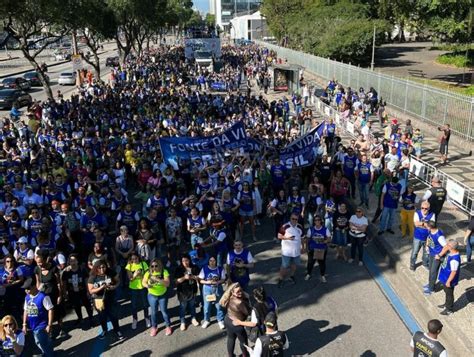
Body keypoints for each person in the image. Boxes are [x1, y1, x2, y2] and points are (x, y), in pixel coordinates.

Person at [87, 261, 124, 340]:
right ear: (96, 268)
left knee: (113, 315)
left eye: (103, 267)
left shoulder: (110, 273)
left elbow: (118, 281)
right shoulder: (93, 276)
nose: (101, 269)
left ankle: (117, 330)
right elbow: (91, 290)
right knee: (102, 316)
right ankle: (104, 330)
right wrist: (102, 287)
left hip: (110, 298)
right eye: (99, 268)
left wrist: (114, 287)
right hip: (99, 300)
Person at [22, 276, 54, 357]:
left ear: (34, 286)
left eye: (28, 289)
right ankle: (47, 353)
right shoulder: (27, 298)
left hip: (42, 325)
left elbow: (50, 309)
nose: (26, 291)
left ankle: (49, 355)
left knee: (43, 342)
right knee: (39, 342)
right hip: (33, 326)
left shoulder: (43, 296)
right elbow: (26, 310)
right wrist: (24, 324)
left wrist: (49, 325)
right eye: (25, 289)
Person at [61, 254, 94, 329]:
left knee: (87, 305)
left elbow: (86, 280)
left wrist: (89, 290)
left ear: (77, 261)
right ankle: (80, 318)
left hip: (83, 291)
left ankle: (91, 318)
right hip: (72, 292)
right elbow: (64, 283)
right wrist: (64, 293)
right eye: (71, 260)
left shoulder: (82, 269)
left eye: (74, 260)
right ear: (69, 262)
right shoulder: (66, 272)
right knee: (76, 306)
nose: (73, 262)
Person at [219, 283, 252, 357]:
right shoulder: (239, 302)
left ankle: (230, 355)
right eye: (238, 292)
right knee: (243, 341)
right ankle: (245, 355)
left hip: (228, 319)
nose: (240, 292)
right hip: (237, 324)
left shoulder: (228, 297)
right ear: (232, 292)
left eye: (240, 290)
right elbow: (247, 312)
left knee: (231, 338)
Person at [142, 258, 172, 337]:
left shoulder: (164, 272)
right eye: (152, 266)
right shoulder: (148, 273)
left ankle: (168, 326)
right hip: (152, 295)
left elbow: (167, 284)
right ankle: (154, 327)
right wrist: (147, 285)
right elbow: (143, 282)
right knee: (153, 312)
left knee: (164, 311)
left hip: (162, 295)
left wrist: (157, 279)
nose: (154, 268)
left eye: (156, 266)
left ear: (160, 265)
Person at [199, 255, 226, 329]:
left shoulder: (220, 269)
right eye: (210, 260)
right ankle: (207, 320)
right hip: (207, 289)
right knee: (207, 306)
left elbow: (223, 279)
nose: (212, 262)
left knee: (218, 305)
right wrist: (208, 282)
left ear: (216, 261)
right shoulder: (204, 268)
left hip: (217, 288)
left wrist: (218, 282)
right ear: (208, 261)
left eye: (214, 260)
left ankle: (220, 320)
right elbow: (200, 280)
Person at [277, 214, 303, 288]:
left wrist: (303, 247)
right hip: (287, 251)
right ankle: (281, 279)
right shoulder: (285, 226)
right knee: (284, 266)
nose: (294, 220)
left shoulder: (300, 227)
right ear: (290, 218)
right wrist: (287, 238)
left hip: (296, 251)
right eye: (293, 219)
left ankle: (291, 276)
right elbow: (279, 236)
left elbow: (303, 238)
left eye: (296, 219)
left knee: (294, 264)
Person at [175, 254, 200, 331]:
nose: (185, 262)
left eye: (186, 260)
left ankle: (193, 318)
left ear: (189, 260)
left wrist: (192, 277)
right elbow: (176, 281)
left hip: (192, 290)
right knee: (183, 307)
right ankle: (182, 321)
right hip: (182, 292)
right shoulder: (178, 269)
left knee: (192, 305)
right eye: (183, 261)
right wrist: (184, 278)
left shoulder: (194, 267)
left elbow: (199, 276)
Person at [125, 253, 150, 330]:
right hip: (133, 288)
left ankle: (147, 318)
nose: (134, 260)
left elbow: (148, 275)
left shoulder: (143, 264)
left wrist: (141, 275)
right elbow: (130, 279)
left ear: (138, 258)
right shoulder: (129, 266)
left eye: (136, 258)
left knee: (145, 304)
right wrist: (135, 275)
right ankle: (135, 319)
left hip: (142, 286)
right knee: (134, 305)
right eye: (132, 259)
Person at [437, 239, 461, 315]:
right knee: (446, 292)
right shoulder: (451, 253)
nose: (446, 245)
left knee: (449, 294)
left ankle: (449, 309)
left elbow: (454, 272)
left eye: (448, 245)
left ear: (451, 247)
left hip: (448, 279)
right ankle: (446, 304)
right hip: (445, 276)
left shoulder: (455, 259)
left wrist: (448, 281)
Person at [304, 215, 331, 282]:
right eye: (316, 220)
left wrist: (326, 241)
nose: (317, 221)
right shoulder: (311, 229)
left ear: (321, 221)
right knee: (310, 263)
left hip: (321, 249)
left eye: (318, 220)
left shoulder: (325, 229)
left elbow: (329, 238)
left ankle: (322, 275)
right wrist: (306, 247)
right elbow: (307, 239)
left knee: (322, 263)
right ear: (314, 221)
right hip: (312, 249)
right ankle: (308, 274)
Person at [410, 202, 435, 271]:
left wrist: (421, 224)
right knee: (414, 252)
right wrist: (426, 224)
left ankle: (425, 263)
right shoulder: (417, 213)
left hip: (427, 237)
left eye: (426, 208)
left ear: (429, 208)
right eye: (422, 208)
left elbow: (431, 226)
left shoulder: (432, 214)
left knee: (426, 252)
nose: (424, 210)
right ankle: (412, 264)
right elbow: (416, 224)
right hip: (417, 237)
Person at [424, 221, 447, 296]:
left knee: (433, 272)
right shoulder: (431, 231)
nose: (426, 227)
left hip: (436, 256)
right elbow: (429, 237)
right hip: (431, 253)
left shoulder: (439, 236)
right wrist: (427, 245)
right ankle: (430, 284)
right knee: (431, 270)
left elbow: (446, 247)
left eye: (427, 226)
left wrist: (439, 255)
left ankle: (431, 288)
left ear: (430, 227)